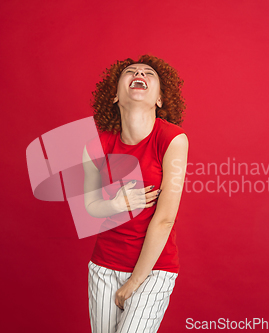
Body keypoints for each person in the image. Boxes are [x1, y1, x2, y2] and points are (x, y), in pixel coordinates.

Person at [82, 54, 189, 333]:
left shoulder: (173, 139)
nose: (139, 73)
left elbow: (165, 218)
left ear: (160, 100)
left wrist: (135, 281)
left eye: (148, 73)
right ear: (115, 96)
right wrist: (117, 204)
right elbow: (91, 206)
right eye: (130, 72)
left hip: (153, 269)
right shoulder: (95, 143)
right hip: (104, 267)